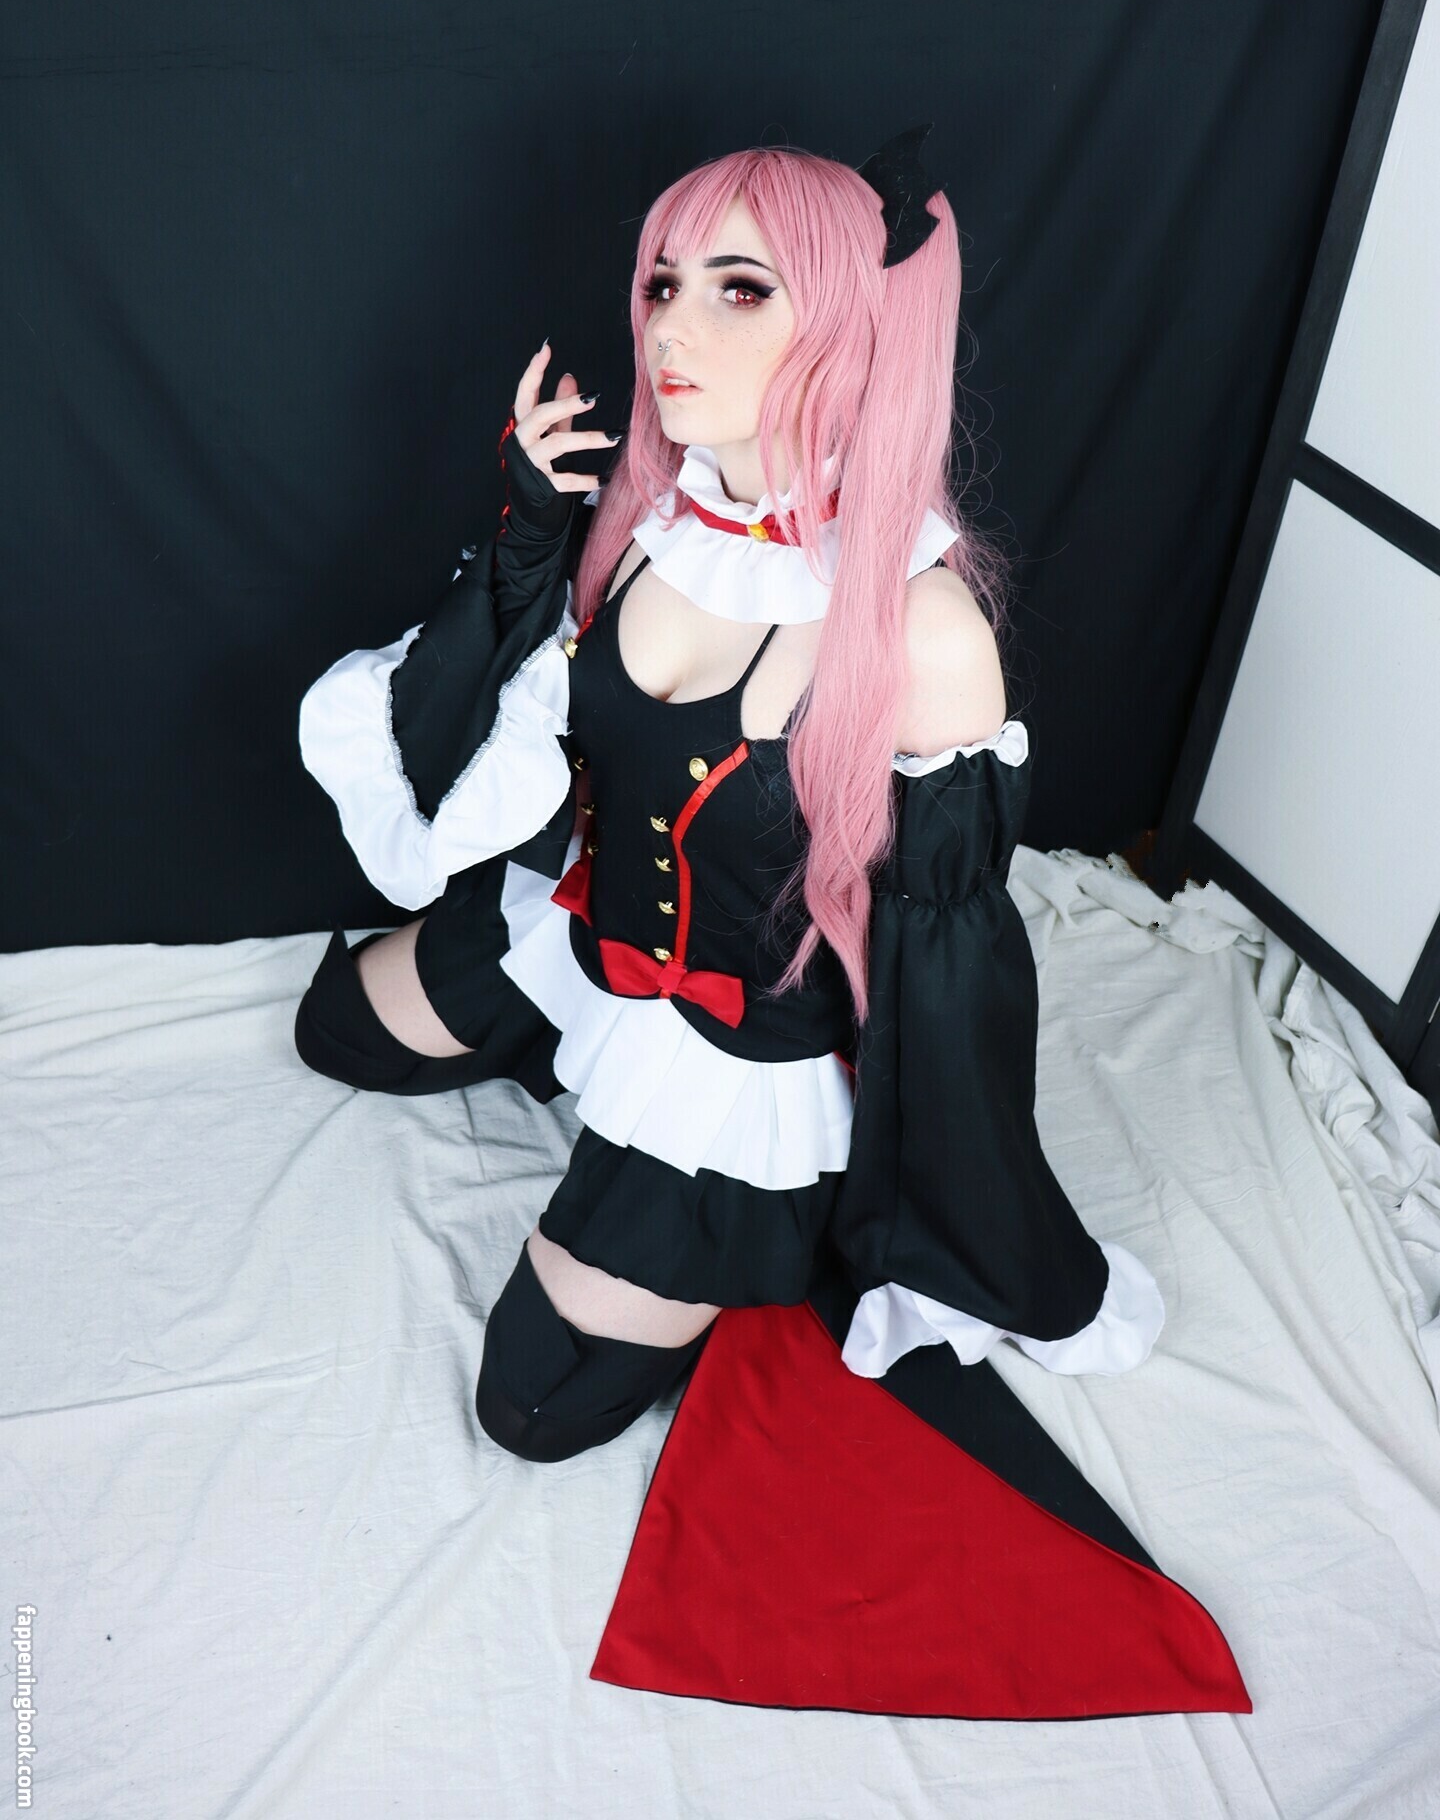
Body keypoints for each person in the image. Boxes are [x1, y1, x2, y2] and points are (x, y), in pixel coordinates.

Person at [292, 130, 1252, 1718]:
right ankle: (564, 1055)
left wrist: (927, 1212)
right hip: (579, 943)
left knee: (530, 1401)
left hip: (732, 1062)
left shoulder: (921, 631)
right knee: (339, 1028)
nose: (672, 326)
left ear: (852, 328)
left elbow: (951, 968)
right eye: (665, 282)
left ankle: (735, 1216)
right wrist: (526, 537)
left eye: (740, 290)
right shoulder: (650, 525)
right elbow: (510, 757)